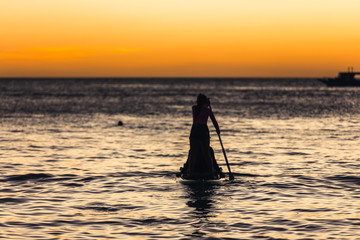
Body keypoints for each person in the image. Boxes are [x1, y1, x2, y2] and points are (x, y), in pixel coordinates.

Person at [186, 93, 222, 179]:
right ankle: (211, 174)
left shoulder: (194, 108)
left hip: (194, 130)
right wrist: (218, 130)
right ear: (205, 101)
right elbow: (214, 120)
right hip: (203, 131)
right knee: (206, 154)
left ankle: (190, 174)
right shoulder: (207, 110)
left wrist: (206, 105)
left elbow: (200, 109)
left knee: (193, 154)